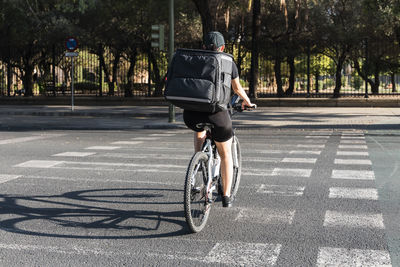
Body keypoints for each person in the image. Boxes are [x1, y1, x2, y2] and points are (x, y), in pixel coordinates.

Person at [183, 31, 255, 208]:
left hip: (191, 114)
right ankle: (226, 195)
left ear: (203, 47)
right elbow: (237, 88)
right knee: (226, 155)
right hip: (217, 115)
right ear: (222, 48)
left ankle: (197, 163)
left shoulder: (194, 60)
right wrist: (249, 102)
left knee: (199, 129)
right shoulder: (227, 62)